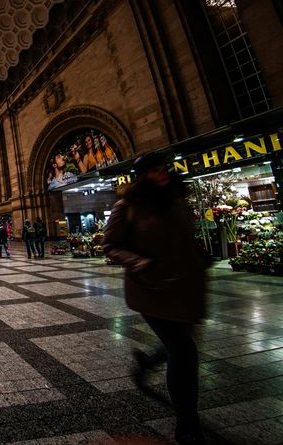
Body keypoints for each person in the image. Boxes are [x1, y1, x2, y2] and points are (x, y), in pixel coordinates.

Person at [103, 153, 208, 444]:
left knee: (180, 345)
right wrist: (139, 262)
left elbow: (183, 239)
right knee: (185, 352)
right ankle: (187, 425)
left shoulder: (176, 201)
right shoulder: (127, 206)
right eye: (154, 170)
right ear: (142, 176)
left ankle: (148, 363)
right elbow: (110, 244)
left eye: (164, 168)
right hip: (151, 290)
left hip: (185, 286)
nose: (162, 173)